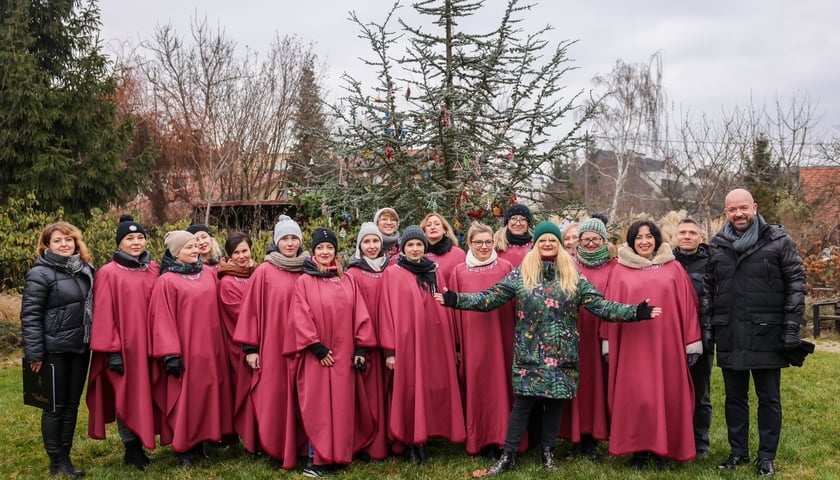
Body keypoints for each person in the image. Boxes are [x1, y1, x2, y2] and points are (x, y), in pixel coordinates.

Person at [437, 221, 661, 476]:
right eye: (543, 240)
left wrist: (635, 312)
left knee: (554, 404)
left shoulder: (572, 275)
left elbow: (601, 306)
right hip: (529, 353)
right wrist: (456, 299)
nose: (547, 244)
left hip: (562, 353)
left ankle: (547, 453)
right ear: (536, 244)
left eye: (552, 240)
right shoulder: (522, 274)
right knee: (523, 405)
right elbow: (490, 297)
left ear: (559, 244)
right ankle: (508, 456)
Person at [701, 188, 807, 477]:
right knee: (734, 398)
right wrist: (709, 326)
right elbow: (708, 288)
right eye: (733, 209)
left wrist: (791, 326)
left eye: (743, 208)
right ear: (726, 212)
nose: (739, 214)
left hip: (767, 333)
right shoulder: (718, 245)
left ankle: (766, 456)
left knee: (768, 398)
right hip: (730, 332)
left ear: (755, 207)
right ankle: (738, 452)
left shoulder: (778, 241)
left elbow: (796, 283)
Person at [601, 220, 701, 469]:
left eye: (649, 236)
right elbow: (609, 307)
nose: (644, 241)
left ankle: (662, 450)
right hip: (632, 347)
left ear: (656, 239)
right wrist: (608, 342)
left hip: (667, 346)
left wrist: (692, 341)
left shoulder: (673, 268)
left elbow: (688, 306)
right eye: (638, 237)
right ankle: (638, 451)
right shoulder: (619, 270)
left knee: (666, 395)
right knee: (635, 397)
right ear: (631, 241)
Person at [284, 228, 376, 477]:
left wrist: (360, 348)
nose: (325, 252)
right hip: (317, 356)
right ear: (313, 251)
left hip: (344, 355)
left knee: (342, 407)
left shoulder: (348, 279)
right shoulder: (304, 281)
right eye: (320, 248)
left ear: (336, 251)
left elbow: (360, 313)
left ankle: (338, 456)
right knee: (319, 408)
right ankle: (316, 460)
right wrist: (317, 347)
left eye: (329, 248)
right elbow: (300, 316)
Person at [379, 225, 466, 465]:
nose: (415, 249)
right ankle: (410, 442)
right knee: (409, 389)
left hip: (433, 341)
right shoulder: (393, 273)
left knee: (429, 387)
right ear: (403, 248)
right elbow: (385, 311)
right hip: (406, 343)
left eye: (419, 244)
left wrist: (452, 343)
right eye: (410, 245)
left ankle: (425, 437)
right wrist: (389, 351)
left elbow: (443, 306)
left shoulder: (434, 271)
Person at [148, 230, 234, 467]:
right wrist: (170, 354)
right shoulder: (166, 281)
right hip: (186, 350)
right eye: (189, 247)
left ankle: (199, 443)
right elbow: (161, 319)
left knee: (206, 396)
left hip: (211, 348)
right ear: (175, 253)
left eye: (196, 245)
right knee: (186, 399)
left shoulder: (206, 274)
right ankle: (183, 446)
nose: (195, 250)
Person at [232, 215, 307, 468]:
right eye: (284, 238)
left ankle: (302, 446)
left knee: (303, 395)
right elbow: (250, 311)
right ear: (276, 241)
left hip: (304, 346)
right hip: (273, 347)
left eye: (294, 238)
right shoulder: (264, 272)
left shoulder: (308, 269)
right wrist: (251, 348)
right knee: (275, 396)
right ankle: (276, 447)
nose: (290, 243)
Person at [21, 222, 95, 478]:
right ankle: (56, 461)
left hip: (80, 347)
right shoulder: (40, 273)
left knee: (72, 406)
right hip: (54, 350)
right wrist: (34, 353)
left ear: (76, 242)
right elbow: (30, 316)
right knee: (55, 406)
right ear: (46, 245)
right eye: (57, 240)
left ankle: (66, 457)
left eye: (68, 239)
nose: (64, 244)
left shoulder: (85, 269)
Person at [86, 215, 159, 470]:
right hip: (125, 348)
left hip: (151, 345)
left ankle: (146, 437)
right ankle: (132, 447)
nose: (136, 242)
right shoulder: (108, 273)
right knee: (126, 394)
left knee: (148, 393)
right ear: (119, 243)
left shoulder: (154, 269)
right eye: (130, 238)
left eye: (140, 237)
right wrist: (112, 351)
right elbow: (104, 313)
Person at [448, 222, 516, 459]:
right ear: (469, 244)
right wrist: (457, 345)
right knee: (478, 387)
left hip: (502, 337)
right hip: (472, 340)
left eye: (488, 242)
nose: (484, 246)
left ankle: (504, 439)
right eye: (479, 242)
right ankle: (480, 439)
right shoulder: (459, 272)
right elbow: (453, 311)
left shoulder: (506, 267)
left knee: (502, 386)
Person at [560, 217, 615, 460]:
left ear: (604, 240)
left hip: (600, 334)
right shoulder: (569, 266)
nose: (590, 243)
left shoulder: (614, 267)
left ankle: (594, 437)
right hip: (574, 333)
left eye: (596, 239)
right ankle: (576, 437)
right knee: (577, 385)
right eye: (585, 239)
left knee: (597, 385)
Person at [345, 222, 391, 460]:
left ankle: (392, 439)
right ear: (359, 245)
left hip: (390, 342)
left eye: (375, 241)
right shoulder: (352, 274)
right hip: (366, 343)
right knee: (369, 394)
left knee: (390, 392)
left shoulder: (392, 269)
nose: (372, 246)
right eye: (366, 242)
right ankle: (369, 443)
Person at [672, 217, 713, 459]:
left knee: (700, 392)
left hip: (701, 337)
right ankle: (674, 439)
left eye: (692, 233)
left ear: (701, 237)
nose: (687, 236)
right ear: (676, 236)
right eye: (683, 232)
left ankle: (700, 443)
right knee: (672, 391)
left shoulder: (711, 264)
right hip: (671, 339)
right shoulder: (666, 262)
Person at [217, 232, 257, 444]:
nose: (242, 256)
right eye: (236, 253)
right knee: (247, 390)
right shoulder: (228, 281)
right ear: (229, 256)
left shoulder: (257, 272)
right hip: (241, 343)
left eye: (245, 251)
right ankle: (250, 437)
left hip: (263, 340)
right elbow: (240, 314)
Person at [421, 212, 466, 280]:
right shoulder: (418, 254)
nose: (433, 227)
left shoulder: (458, 254)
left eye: (437, 224)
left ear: (444, 229)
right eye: (428, 225)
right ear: (424, 232)